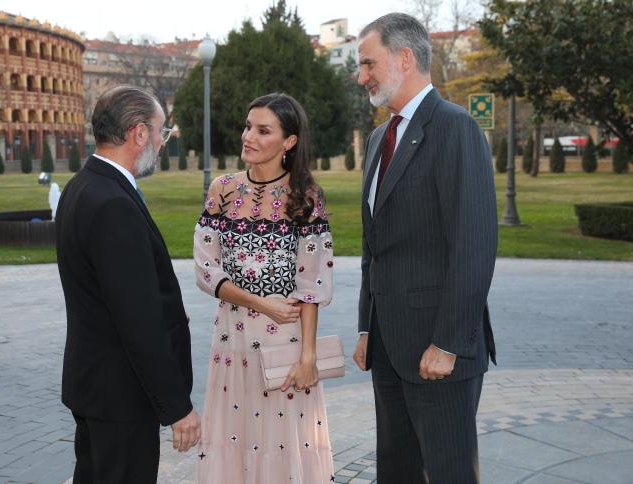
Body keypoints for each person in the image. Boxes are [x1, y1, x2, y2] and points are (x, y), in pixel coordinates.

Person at [352, 13, 498, 484]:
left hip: (439, 351)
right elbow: (375, 245)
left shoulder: (455, 128)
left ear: (405, 57)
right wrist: (365, 326)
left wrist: (449, 342)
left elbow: (474, 243)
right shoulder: (378, 138)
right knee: (396, 473)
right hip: (389, 348)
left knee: (449, 473)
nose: (362, 76)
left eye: (368, 63)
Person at [56, 85, 200, 483]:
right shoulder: (113, 203)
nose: (161, 141)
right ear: (138, 133)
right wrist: (176, 407)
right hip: (121, 396)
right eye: (160, 132)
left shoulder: (82, 186)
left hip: (98, 388)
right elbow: (139, 321)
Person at [194, 93, 335, 483]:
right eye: (247, 126)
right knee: (233, 437)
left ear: (288, 142)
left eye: (262, 130)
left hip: (284, 346)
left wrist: (308, 357)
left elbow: (313, 283)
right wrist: (261, 303)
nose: (248, 137)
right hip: (231, 342)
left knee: (283, 442)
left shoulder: (306, 197)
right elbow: (206, 270)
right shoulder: (222, 190)